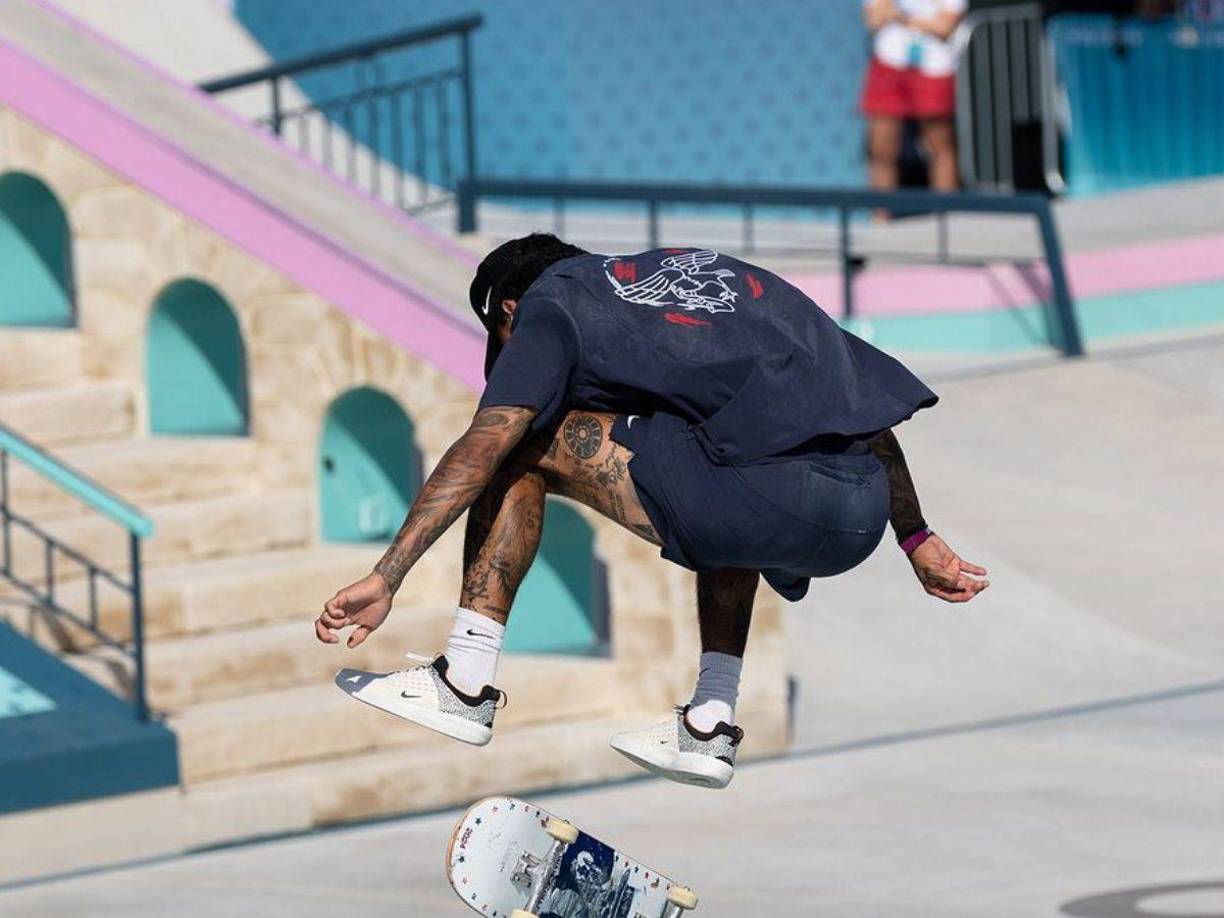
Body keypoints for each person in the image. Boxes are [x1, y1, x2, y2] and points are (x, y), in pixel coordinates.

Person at [317, 234, 989, 789]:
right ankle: (708, 724)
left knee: (516, 444)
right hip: (860, 514)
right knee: (715, 443)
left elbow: (488, 438)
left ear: (510, 312)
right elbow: (861, 405)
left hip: (765, 500)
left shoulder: (553, 301)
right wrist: (916, 538)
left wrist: (388, 575)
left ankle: (463, 679)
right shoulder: (721, 285)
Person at [861, 0, 968, 208]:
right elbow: (874, 18)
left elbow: (944, 27)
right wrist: (922, 20)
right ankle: (881, 215)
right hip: (888, 64)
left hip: (935, 68)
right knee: (881, 146)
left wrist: (900, 16)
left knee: (939, 144)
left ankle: (945, 214)